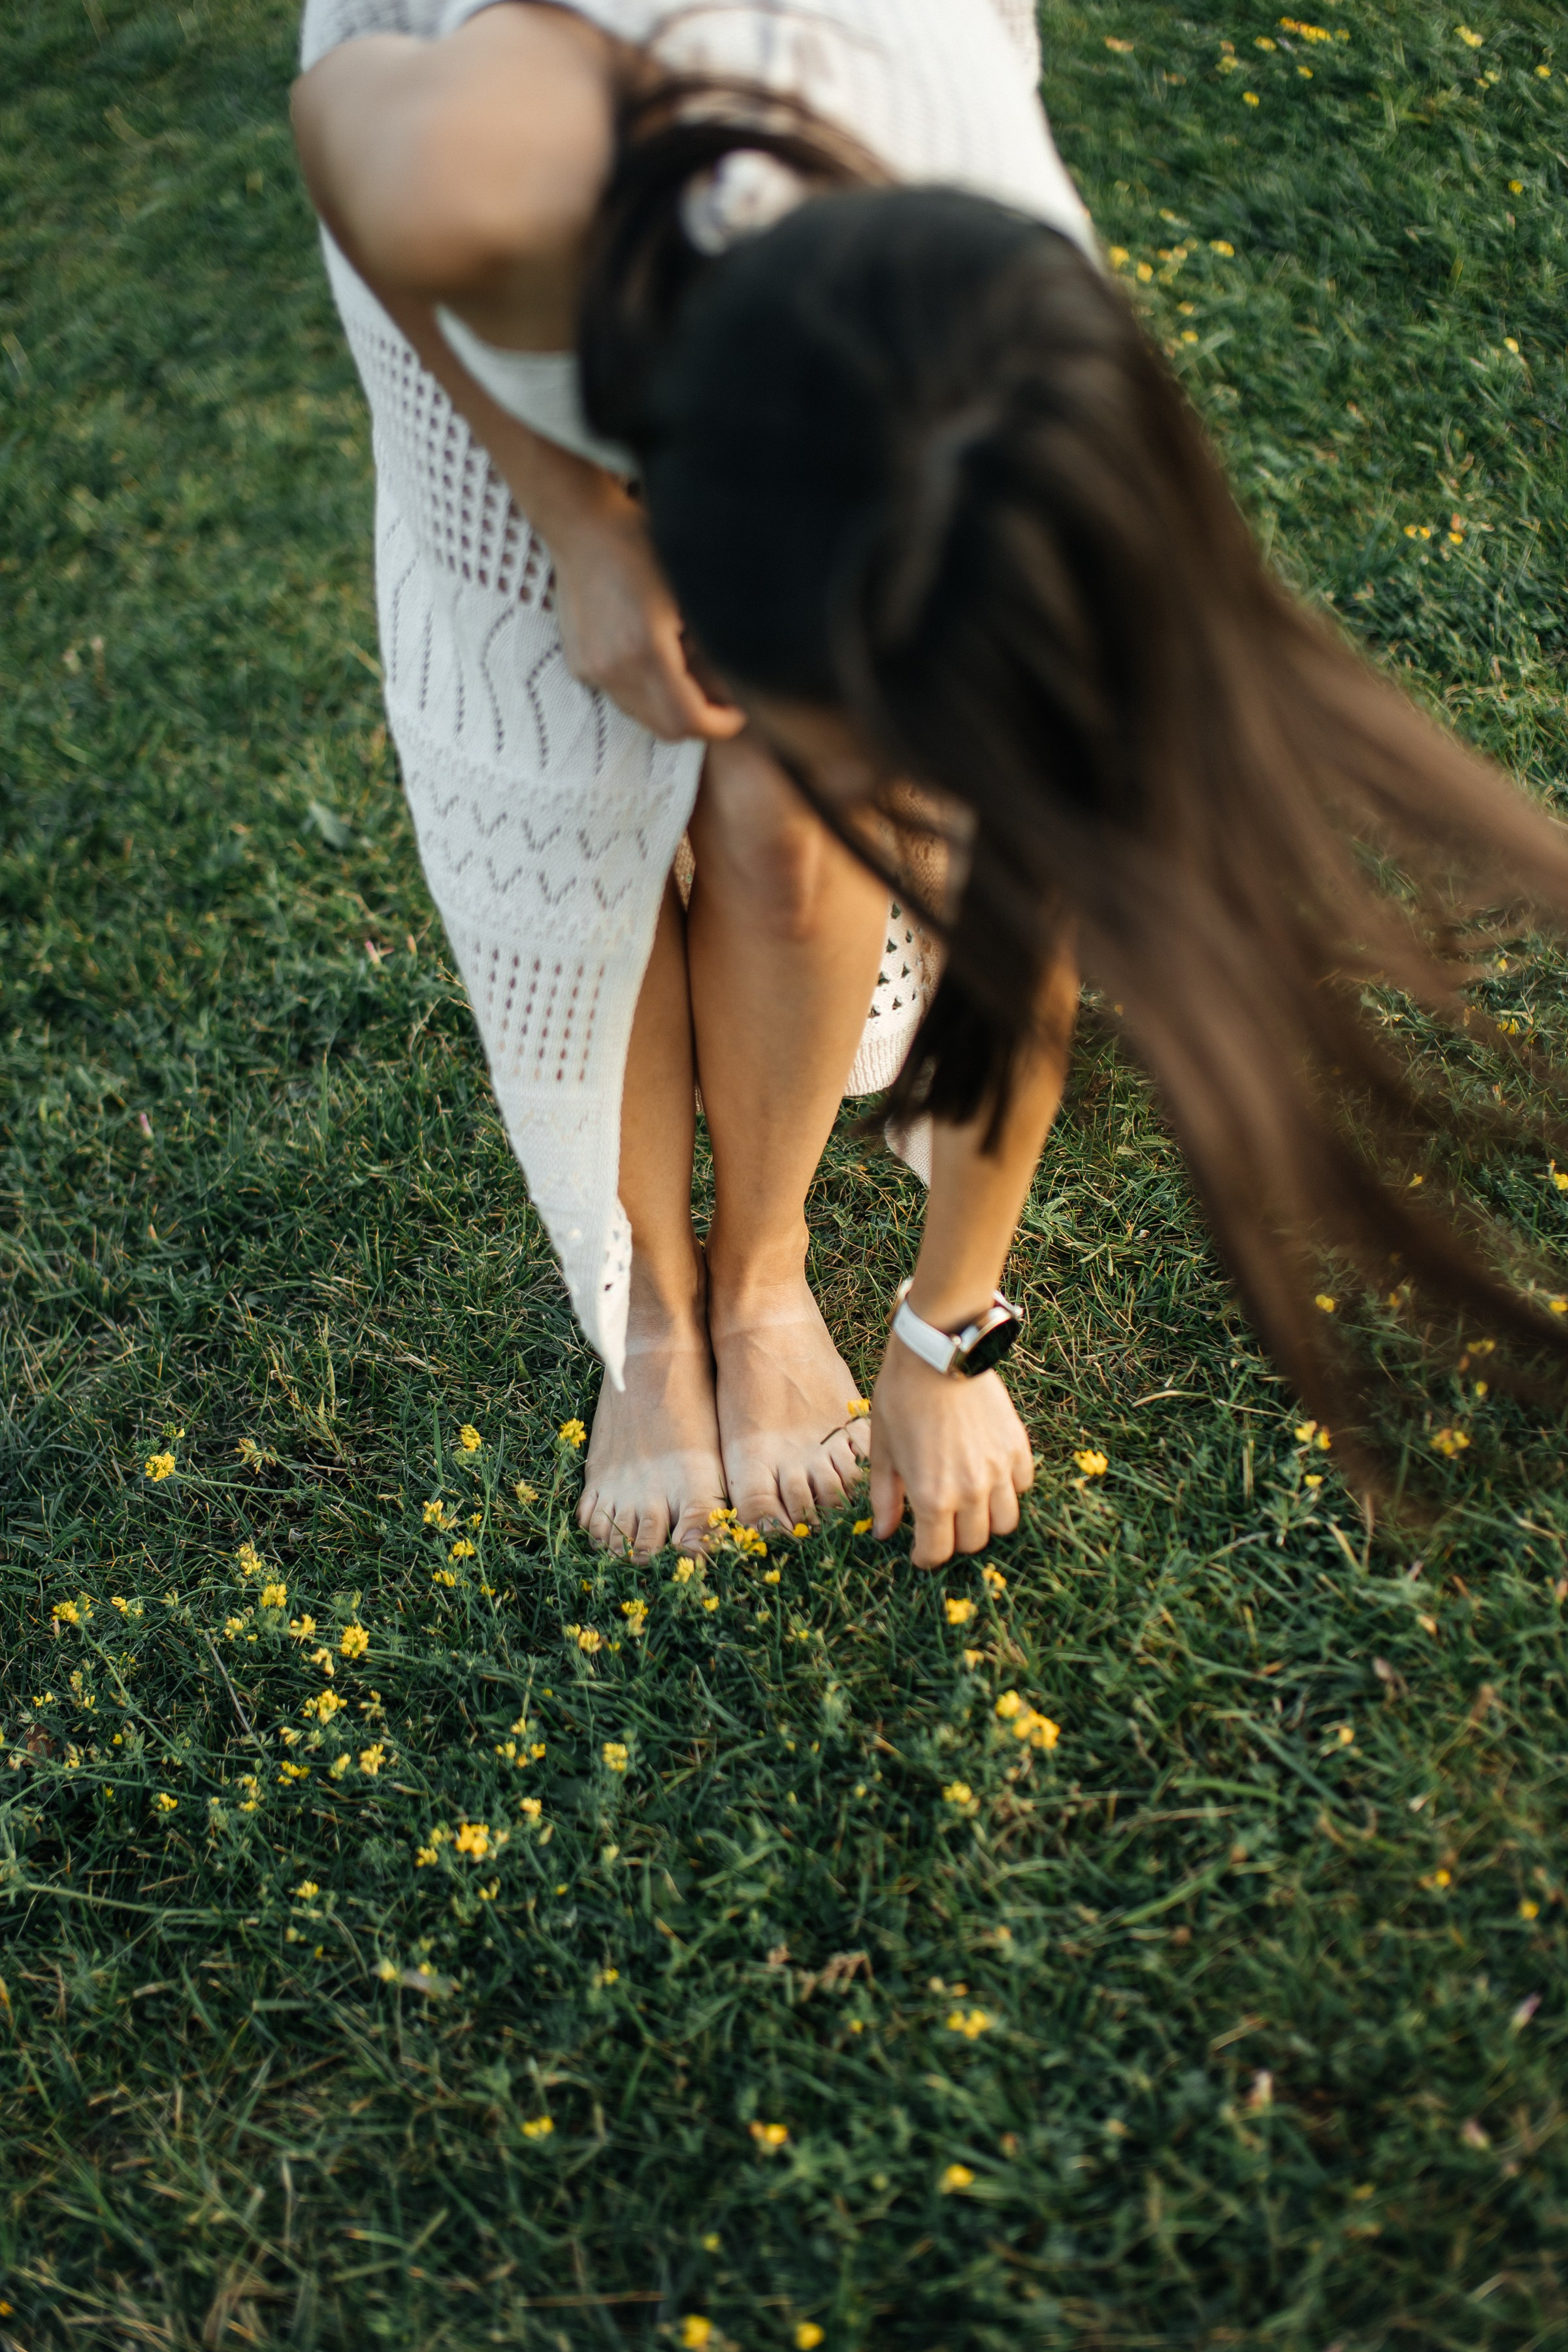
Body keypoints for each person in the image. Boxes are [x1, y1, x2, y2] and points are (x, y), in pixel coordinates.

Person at [293, 0, 1568, 1567]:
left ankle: (761, 1275)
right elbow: (340, 150)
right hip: (514, 229)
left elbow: (1035, 883)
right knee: (580, 791)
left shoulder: (1029, 409)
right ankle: (654, 1315)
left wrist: (945, 1334)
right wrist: (570, 521)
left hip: (803, 264)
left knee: (785, 841)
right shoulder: (484, 166)